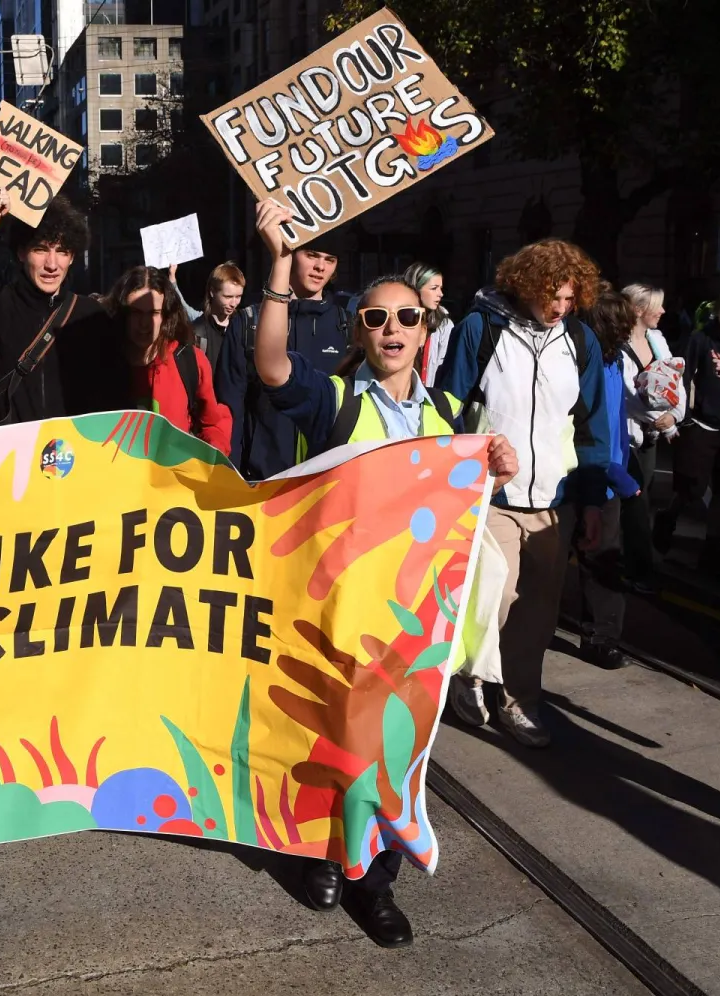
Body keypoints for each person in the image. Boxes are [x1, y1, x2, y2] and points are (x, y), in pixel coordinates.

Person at [249, 199, 518, 949]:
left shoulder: (443, 423)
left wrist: (495, 461)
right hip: (336, 613)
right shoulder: (333, 400)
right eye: (374, 320)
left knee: (393, 754)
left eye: (405, 318)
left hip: (411, 629)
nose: (391, 330)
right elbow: (271, 366)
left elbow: (462, 509)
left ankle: (374, 880)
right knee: (328, 741)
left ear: (425, 331)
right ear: (357, 333)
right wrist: (278, 263)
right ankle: (321, 856)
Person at [437, 239, 608, 748]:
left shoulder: (579, 340)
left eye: (569, 299)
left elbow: (594, 422)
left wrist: (594, 499)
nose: (560, 308)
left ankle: (519, 701)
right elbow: (448, 407)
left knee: (537, 611)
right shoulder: (482, 329)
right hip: (493, 496)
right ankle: (469, 679)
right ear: (526, 287)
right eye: (552, 296)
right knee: (495, 600)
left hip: (554, 500)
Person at [0, 190, 118, 424]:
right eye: (40, 249)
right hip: (12, 453)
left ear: (72, 258)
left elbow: (113, 391)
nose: (51, 264)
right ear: (21, 252)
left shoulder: (92, 315)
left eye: (62, 251)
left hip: (76, 453)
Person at [215, 229, 348, 480]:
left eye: (329, 260)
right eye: (311, 255)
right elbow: (228, 408)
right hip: (263, 479)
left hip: (327, 481)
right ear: (292, 254)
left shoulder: (347, 325)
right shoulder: (248, 322)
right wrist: (229, 476)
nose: (320, 267)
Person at [653, 283, 720, 571]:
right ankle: (669, 517)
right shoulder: (701, 339)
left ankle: (711, 547)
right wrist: (679, 415)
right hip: (702, 424)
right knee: (691, 488)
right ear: (717, 312)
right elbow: (682, 375)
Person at [575, 288, 644, 669]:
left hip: (608, 479)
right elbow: (587, 426)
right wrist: (617, 473)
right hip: (580, 475)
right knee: (584, 556)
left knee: (604, 560)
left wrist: (621, 470)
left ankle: (602, 638)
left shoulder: (615, 360)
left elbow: (616, 421)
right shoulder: (583, 365)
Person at [107, 265, 231, 452]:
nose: (144, 324)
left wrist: (213, 453)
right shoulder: (103, 363)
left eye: (154, 313)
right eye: (136, 313)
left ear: (166, 316)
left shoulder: (190, 361)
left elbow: (212, 424)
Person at [618, 283, 683, 593]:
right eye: (657, 306)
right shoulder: (616, 346)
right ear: (638, 310)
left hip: (651, 437)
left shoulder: (657, 340)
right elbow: (627, 396)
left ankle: (630, 562)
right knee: (635, 502)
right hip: (627, 437)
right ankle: (638, 570)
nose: (663, 311)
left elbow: (675, 380)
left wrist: (675, 416)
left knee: (641, 501)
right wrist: (663, 422)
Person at [191, 261, 249, 370]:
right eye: (228, 297)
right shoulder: (198, 332)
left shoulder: (244, 325)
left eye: (238, 296)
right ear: (212, 292)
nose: (233, 303)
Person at [403, 263, 453, 386]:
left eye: (441, 288)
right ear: (415, 289)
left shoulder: (444, 325)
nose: (440, 294)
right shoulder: (397, 319)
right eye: (434, 288)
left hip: (427, 396)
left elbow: (445, 368)